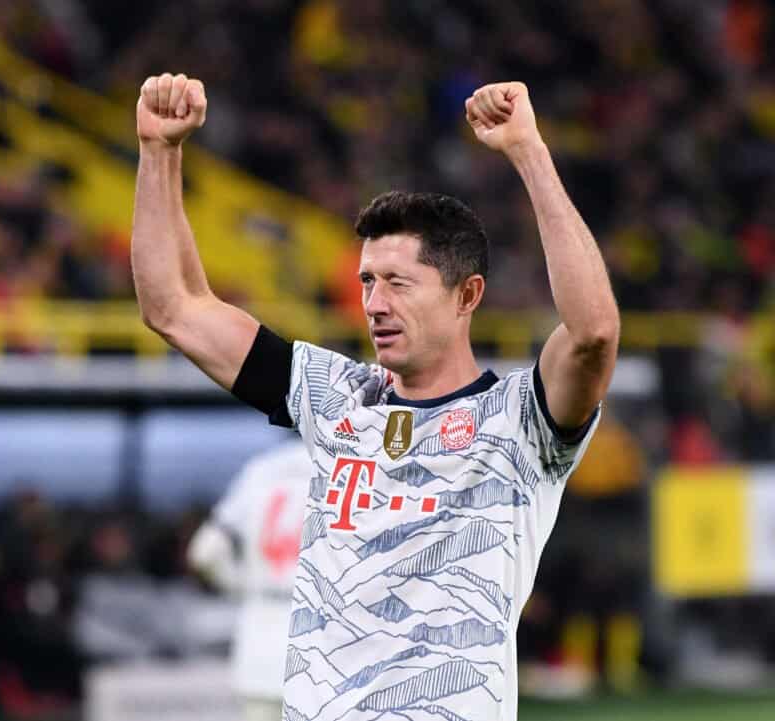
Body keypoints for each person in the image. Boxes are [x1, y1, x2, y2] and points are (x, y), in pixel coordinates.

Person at [131, 73, 619, 721]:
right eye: (367, 281)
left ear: (467, 295)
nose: (374, 304)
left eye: (398, 282)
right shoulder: (336, 397)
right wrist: (159, 151)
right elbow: (174, 307)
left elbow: (593, 333)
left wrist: (528, 151)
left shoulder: (520, 422)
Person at [188, 439, 312, 721]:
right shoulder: (341, 460)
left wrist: (242, 585)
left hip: (260, 636)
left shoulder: (261, 470)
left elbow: (203, 552)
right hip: (321, 640)